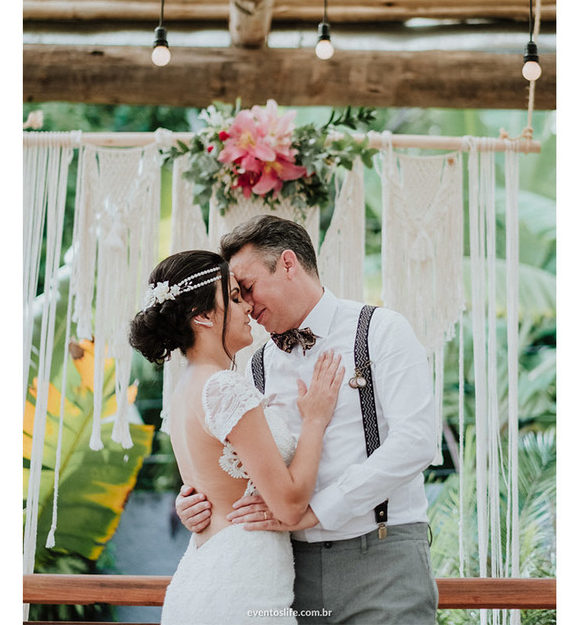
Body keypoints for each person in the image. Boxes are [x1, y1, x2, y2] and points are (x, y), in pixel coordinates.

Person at [173, 215, 440, 624]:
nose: (244, 303)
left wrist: (318, 510)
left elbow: (417, 441)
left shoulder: (381, 330)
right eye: (235, 295)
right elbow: (240, 459)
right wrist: (197, 500)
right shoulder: (254, 364)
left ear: (287, 263)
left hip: (382, 558)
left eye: (247, 288)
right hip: (287, 572)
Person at [128, 250, 345, 624]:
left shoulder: (185, 389)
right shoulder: (223, 387)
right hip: (242, 584)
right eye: (232, 297)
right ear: (202, 316)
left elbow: (211, 484)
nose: (247, 306)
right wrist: (314, 420)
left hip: (206, 571)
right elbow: (290, 506)